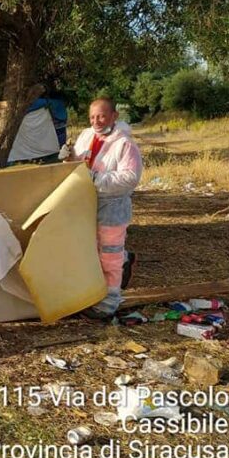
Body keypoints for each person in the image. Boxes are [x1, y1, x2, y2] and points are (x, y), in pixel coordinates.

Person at [59, 98, 142, 318]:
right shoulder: (87, 135)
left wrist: (94, 178)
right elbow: (81, 164)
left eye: (102, 116)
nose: (96, 121)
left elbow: (130, 178)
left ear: (114, 116)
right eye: (92, 117)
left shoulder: (125, 144)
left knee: (109, 256)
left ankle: (108, 304)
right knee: (91, 252)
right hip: (86, 204)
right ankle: (96, 290)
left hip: (112, 207)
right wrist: (69, 159)